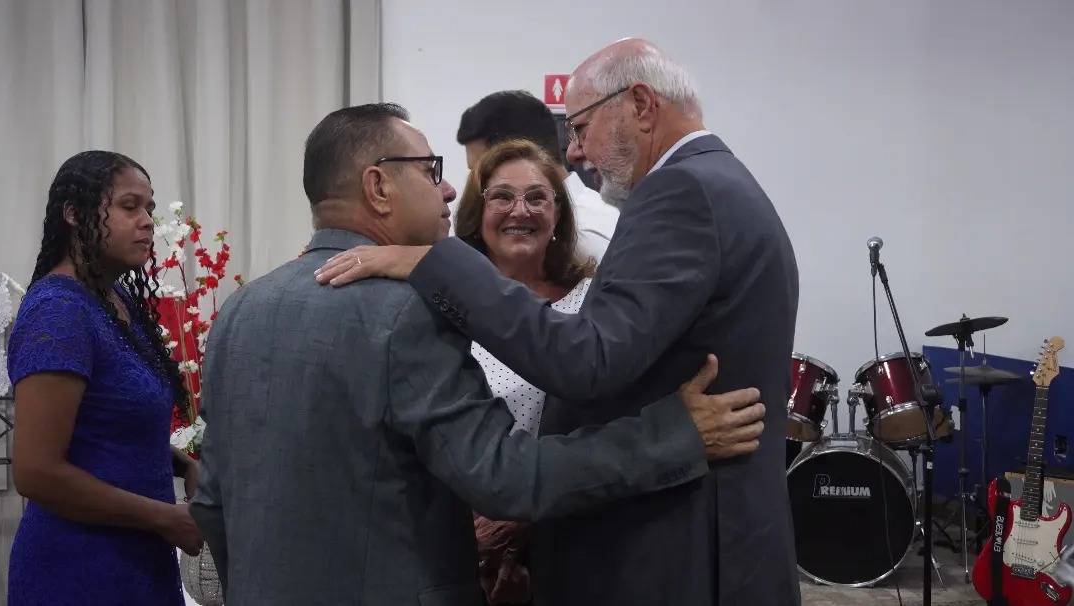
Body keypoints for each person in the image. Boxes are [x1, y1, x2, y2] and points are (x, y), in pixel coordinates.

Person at [189, 103, 767, 606]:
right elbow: (506, 477)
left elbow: (212, 504)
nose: (447, 189)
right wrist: (674, 436)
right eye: (430, 170)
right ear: (378, 187)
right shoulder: (405, 311)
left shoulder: (240, 311)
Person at [314, 39, 801, 606]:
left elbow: (588, 360)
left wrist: (435, 261)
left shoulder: (682, 189)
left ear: (641, 105)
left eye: (581, 126)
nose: (575, 151)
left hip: (684, 544)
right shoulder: (718, 182)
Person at [6, 150, 204, 606]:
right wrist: (166, 518)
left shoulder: (116, 302)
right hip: (77, 571)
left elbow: (108, 426)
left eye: (150, 208)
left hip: (137, 562)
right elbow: (36, 473)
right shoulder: (58, 312)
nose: (147, 221)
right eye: (129, 206)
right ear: (74, 214)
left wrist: (184, 464)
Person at [454, 138, 596, 604]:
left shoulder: (593, 303)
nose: (521, 210)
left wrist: (521, 519)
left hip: (566, 535)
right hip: (458, 542)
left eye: (537, 197)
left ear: (558, 215)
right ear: (477, 214)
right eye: (502, 196)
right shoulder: (444, 304)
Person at [457, 90, 619, 261]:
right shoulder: (599, 211)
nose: (476, 183)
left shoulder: (578, 237)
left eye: (481, 170)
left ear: (520, 152)